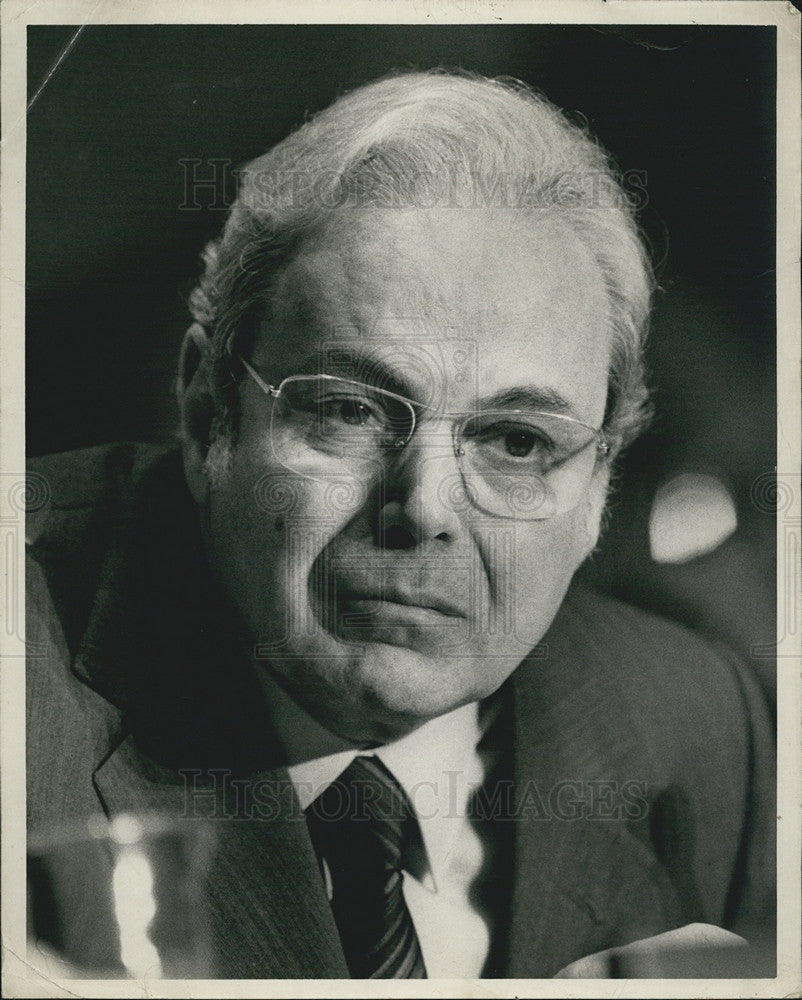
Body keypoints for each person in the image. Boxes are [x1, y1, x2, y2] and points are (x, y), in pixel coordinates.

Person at [25, 70, 775, 979]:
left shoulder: (701, 723)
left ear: (599, 485)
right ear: (207, 413)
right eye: (349, 411)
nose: (422, 510)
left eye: (516, 440)